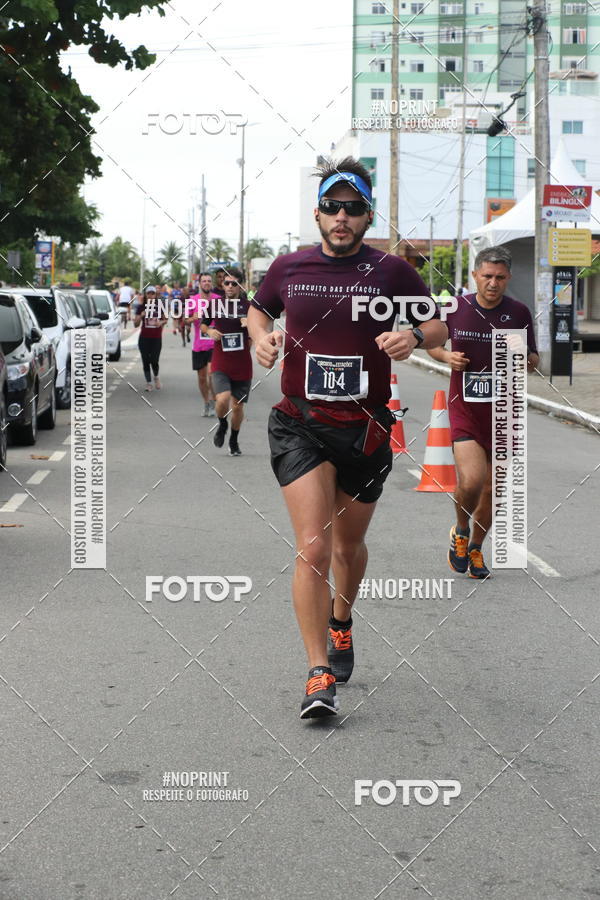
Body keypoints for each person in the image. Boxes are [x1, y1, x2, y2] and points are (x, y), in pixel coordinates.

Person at [248, 157, 447, 719]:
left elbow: (438, 324)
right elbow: (257, 313)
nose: (341, 217)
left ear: (367, 216)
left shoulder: (391, 273)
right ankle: (317, 673)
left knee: (346, 549)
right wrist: (263, 339)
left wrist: (413, 335)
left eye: (353, 208)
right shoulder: (289, 268)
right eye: (332, 207)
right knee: (312, 546)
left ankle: (341, 620)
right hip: (299, 422)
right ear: (317, 213)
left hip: (364, 430)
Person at [426, 245, 539, 580]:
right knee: (473, 481)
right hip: (465, 410)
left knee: (493, 491)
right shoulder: (455, 308)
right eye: (487, 276)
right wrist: (447, 358)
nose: (493, 283)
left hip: (504, 413)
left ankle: (475, 548)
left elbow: (534, 362)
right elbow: (431, 344)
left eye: (500, 277)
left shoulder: (518, 313)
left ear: (508, 279)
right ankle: (461, 530)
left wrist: (522, 357)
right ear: (475, 275)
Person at [207, 268, 252, 455]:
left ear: (240, 285)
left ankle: (234, 439)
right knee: (223, 398)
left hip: (242, 364)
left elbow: (264, 327)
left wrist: (250, 324)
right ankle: (222, 424)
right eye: (227, 283)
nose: (230, 287)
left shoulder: (249, 306)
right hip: (221, 361)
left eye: (234, 283)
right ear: (222, 285)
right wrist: (209, 331)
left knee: (238, 406)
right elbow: (203, 323)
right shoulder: (215, 305)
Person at [187, 273, 219, 416]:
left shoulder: (219, 300)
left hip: (215, 345)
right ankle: (206, 402)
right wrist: (194, 317)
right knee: (201, 377)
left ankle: (213, 400)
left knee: (211, 374)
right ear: (199, 284)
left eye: (209, 281)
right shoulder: (192, 301)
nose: (207, 283)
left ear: (211, 284)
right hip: (199, 346)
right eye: (204, 281)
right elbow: (185, 320)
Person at [133, 287, 168, 391]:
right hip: (144, 338)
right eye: (149, 294)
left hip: (156, 338)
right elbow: (135, 324)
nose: (150, 296)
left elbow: (165, 319)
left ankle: (156, 377)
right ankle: (148, 383)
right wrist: (141, 316)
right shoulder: (141, 307)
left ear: (155, 295)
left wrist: (160, 323)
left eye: (153, 294)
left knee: (154, 360)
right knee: (145, 360)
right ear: (146, 295)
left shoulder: (160, 307)